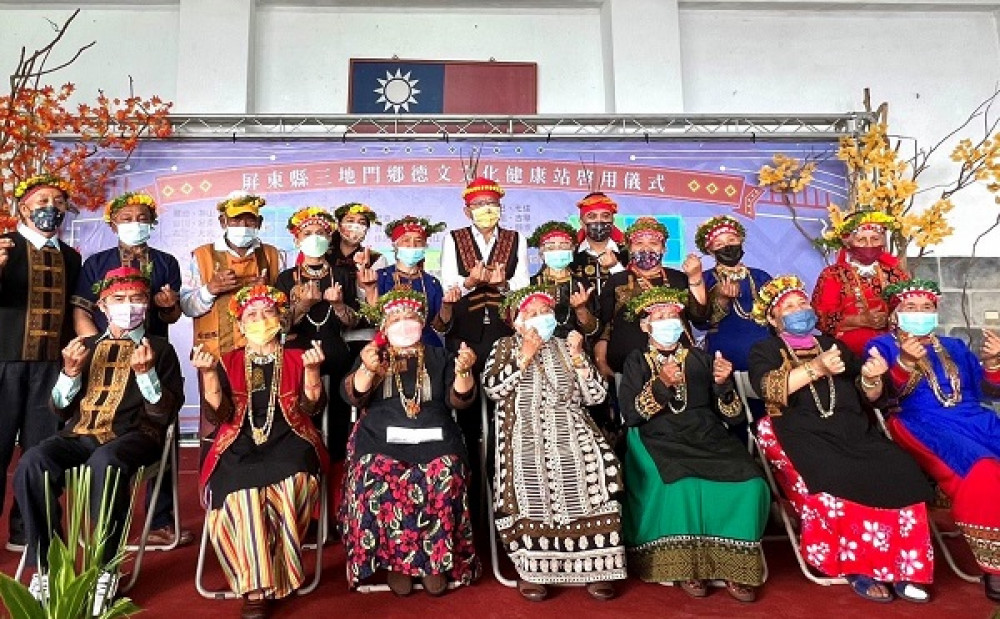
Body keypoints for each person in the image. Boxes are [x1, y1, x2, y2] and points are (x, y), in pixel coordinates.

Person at [748, 275, 935, 604]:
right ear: (773, 319)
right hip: (802, 431)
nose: (799, 310)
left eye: (803, 303)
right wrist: (817, 368)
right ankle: (858, 567)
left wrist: (872, 378)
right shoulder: (765, 350)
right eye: (789, 307)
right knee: (835, 474)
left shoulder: (835, 345)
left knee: (900, 468)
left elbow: (868, 395)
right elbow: (769, 388)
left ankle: (906, 567)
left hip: (852, 429)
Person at [15, 266, 183, 613]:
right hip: (80, 434)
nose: (128, 306)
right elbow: (61, 409)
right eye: (119, 299)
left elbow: (163, 415)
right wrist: (70, 373)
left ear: (147, 305)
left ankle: (105, 567)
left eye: (136, 299)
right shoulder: (84, 347)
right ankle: (47, 566)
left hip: (134, 437)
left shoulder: (161, 349)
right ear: (103, 307)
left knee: (105, 462)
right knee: (33, 461)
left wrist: (146, 374)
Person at [619, 287, 768, 602]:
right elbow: (631, 415)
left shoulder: (701, 358)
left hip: (706, 435)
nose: (668, 322)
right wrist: (661, 384)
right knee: (681, 483)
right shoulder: (636, 361)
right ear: (645, 325)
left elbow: (734, 416)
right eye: (659, 316)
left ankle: (736, 565)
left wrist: (723, 384)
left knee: (751, 483)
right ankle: (686, 565)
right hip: (657, 436)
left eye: (673, 315)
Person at [483, 286, 625, 601]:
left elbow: (596, 396)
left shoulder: (566, 344)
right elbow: (493, 389)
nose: (541, 318)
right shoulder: (504, 346)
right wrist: (525, 355)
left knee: (599, 464)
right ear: (518, 322)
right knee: (527, 471)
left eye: (545, 312)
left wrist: (578, 358)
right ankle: (533, 569)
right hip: (522, 427)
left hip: (571, 426)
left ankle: (596, 566)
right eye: (532, 313)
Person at [196, 284, 329, 619]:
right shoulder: (227, 361)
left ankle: (279, 572)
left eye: (267, 312)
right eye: (251, 315)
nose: (260, 320)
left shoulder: (298, 358)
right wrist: (209, 375)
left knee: (294, 482)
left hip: (291, 439)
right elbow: (221, 416)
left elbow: (312, 409)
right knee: (241, 494)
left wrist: (313, 373)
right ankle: (256, 587)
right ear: (240, 325)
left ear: (280, 319)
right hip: (239, 443)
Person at [867, 279, 1000, 601]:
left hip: (974, 417)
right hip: (920, 422)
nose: (920, 313)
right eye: (911, 308)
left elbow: (989, 392)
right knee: (982, 469)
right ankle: (995, 566)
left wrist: (993, 363)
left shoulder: (954, 345)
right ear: (896, 314)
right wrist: (904, 363)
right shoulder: (882, 345)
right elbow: (880, 398)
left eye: (926, 307)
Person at [340, 289, 479, 596]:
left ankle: (435, 562)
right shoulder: (373, 355)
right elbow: (353, 396)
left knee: (446, 471)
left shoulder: (440, 357)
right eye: (396, 319)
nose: (404, 324)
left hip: (435, 437)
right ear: (384, 326)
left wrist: (464, 371)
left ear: (422, 322)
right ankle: (396, 564)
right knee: (375, 472)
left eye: (410, 317)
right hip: (381, 439)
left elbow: (460, 400)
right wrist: (367, 369)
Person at [71, 191, 188, 547]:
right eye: (126, 218)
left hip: (154, 355)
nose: (135, 224)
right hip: (105, 357)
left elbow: (172, 315)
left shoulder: (166, 262)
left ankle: (160, 520)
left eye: (142, 218)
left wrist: (168, 307)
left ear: (152, 223)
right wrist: (94, 346)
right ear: (112, 224)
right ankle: (98, 526)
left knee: (161, 429)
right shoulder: (96, 263)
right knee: (100, 433)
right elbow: (81, 309)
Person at [0, 173, 81, 552]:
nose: (51, 207)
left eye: (59, 202)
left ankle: (30, 530)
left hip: (50, 367)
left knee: (42, 451)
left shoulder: (71, 257)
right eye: (43, 200)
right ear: (23, 208)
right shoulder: (5, 245)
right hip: (3, 363)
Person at [180, 190, 283, 454]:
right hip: (213, 355)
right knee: (216, 421)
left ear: (259, 223)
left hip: (262, 354)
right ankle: (214, 473)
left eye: (249, 220)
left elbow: (284, 308)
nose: (243, 226)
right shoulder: (201, 256)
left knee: (259, 417)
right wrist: (210, 289)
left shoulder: (274, 255)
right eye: (236, 220)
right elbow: (187, 306)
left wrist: (267, 293)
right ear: (223, 221)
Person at [595, 216, 708, 378]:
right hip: (628, 368)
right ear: (630, 249)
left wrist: (695, 278)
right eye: (639, 243)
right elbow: (604, 325)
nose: (646, 248)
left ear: (664, 249)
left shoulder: (679, 278)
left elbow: (699, 317)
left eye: (654, 243)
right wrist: (601, 360)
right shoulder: (617, 280)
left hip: (679, 365)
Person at [812, 209, 909, 356]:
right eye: (861, 239)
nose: (869, 245)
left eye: (875, 239)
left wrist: (893, 317)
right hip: (846, 354)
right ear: (848, 242)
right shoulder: (832, 275)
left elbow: (911, 308)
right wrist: (861, 320)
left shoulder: (896, 274)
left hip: (892, 351)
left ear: (883, 241)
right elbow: (820, 317)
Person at [695, 215, 771, 373]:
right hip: (723, 357)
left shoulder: (760, 276)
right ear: (710, 250)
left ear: (741, 241)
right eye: (719, 244)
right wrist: (721, 300)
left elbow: (777, 315)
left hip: (764, 355)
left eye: (731, 240)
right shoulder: (705, 279)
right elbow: (700, 323)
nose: (727, 246)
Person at [367, 215, 456, 347]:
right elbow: (373, 319)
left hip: (427, 346)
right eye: (406, 240)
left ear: (425, 246)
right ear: (395, 245)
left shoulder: (432, 283)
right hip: (390, 345)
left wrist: (447, 306)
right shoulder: (381, 277)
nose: (412, 245)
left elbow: (440, 327)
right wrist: (370, 289)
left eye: (418, 241)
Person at [570, 191, 627, 298]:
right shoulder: (570, 256)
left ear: (612, 221)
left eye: (605, 216)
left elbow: (635, 293)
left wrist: (616, 267)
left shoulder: (627, 253)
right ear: (581, 223)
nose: (599, 221)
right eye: (592, 217)